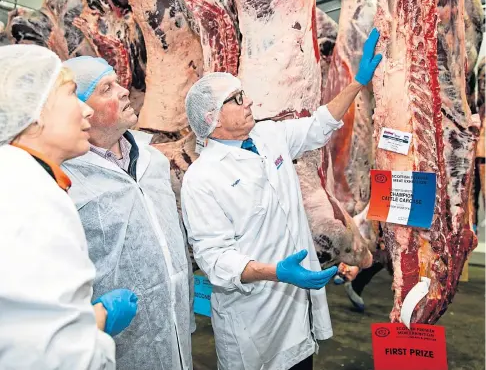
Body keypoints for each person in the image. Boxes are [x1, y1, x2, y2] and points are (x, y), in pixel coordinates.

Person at [181, 28, 383, 370]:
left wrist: (357, 82)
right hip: (252, 323)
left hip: (296, 318)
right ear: (210, 119)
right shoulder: (201, 179)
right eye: (237, 99)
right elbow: (215, 259)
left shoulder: (268, 135)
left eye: (244, 94)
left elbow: (319, 124)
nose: (250, 103)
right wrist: (278, 272)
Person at [0, 45, 137, 369]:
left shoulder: (19, 180)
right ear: (34, 113)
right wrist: (97, 321)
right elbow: (59, 358)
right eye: (72, 94)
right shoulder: (30, 197)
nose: (86, 110)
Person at [61, 56, 195, 370]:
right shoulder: (68, 180)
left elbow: (172, 245)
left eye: (118, 83)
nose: (124, 91)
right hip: (116, 335)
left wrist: (186, 309)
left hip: (177, 320)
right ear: (81, 110)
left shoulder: (154, 160)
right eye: (106, 88)